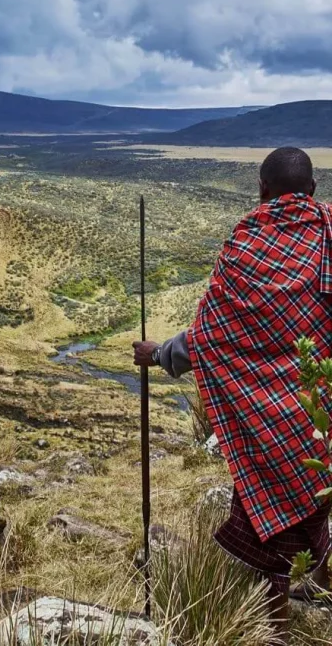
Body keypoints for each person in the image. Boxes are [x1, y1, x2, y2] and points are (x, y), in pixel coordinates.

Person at [134, 147, 332, 644]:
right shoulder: (330, 234)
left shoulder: (246, 247)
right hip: (321, 410)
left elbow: (210, 336)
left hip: (263, 422)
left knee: (270, 521)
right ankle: (323, 589)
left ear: (262, 191)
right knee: (320, 499)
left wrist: (159, 355)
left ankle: (278, 630)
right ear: (313, 190)